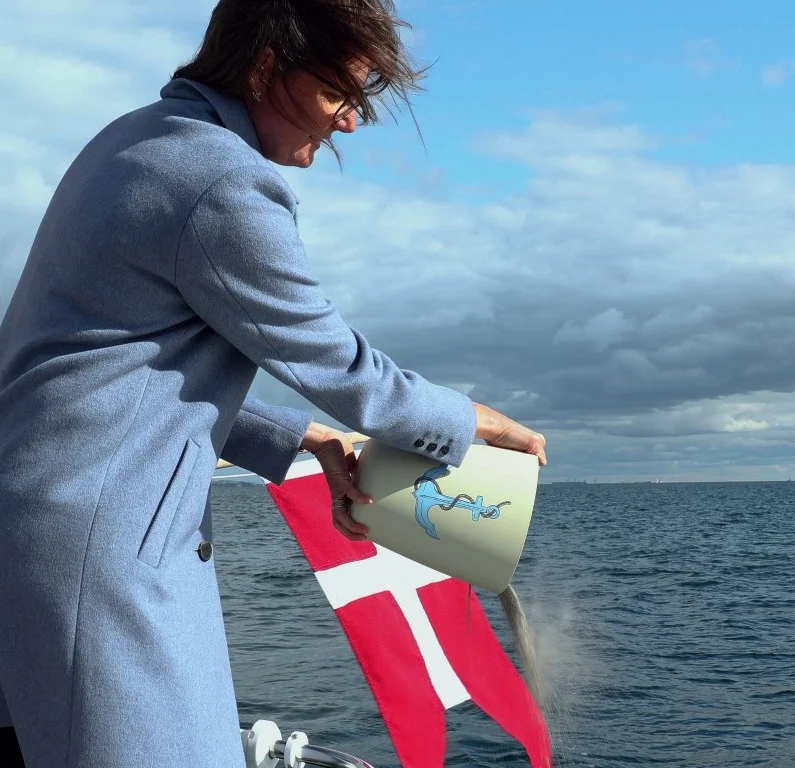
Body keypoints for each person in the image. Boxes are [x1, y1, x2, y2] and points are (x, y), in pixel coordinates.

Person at [0, 1, 547, 765]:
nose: (349, 121)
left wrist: (301, 437)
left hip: (46, 537)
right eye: (338, 92)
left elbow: (112, 371)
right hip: (99, 558)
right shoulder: (221, 178)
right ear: (265, 66)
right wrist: (473, 422)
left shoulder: (132, 140)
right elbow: (335, 363)